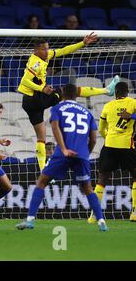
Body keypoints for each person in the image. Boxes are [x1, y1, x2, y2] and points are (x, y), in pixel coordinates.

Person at [17, 35, 120, 172]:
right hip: (36, 99)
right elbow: (24, 81)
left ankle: (43, 170)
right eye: (44, 49)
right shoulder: (35, 63)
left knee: (41, 137)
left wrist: (82, 43)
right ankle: (106, 90)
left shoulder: (44, 56)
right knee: (69, 90)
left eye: (48, 48)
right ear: (36, 50)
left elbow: (64, 50)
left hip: (29, 102)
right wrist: (42, 88)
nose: (47, 51)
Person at [16, 84, 108, 232]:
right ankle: (102, 222)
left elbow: (54, 127)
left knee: (41, 181)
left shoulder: (58, 108)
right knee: (88, 188)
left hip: (62, 153)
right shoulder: (87, 112)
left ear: (63, 94)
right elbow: (94, 139)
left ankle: (30, 220)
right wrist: (86, 154)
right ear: (77, 95)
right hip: (82, 155)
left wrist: (64, 149)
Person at [88, 82, 136, 223]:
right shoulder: (133, 103)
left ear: (115, 93)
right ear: (128, 92)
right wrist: (131, 117)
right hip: (127, 146)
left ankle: (94, 215)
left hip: (109, 145)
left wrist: (109, 137)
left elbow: (101, 129)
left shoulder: (108, 106)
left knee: (102, 179)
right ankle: (134, 213)